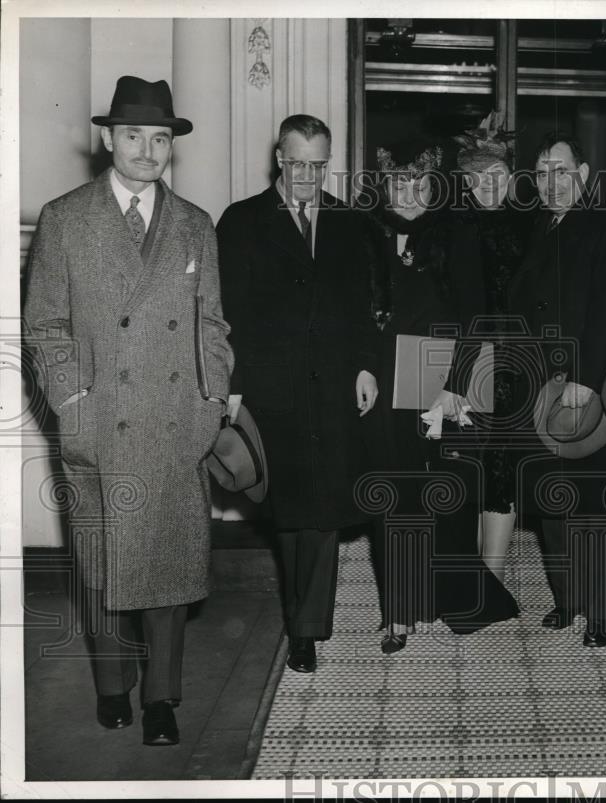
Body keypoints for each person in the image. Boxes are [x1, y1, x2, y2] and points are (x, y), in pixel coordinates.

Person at [23, 75, 233, 746]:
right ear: (109, 138)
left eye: (161, 138)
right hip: (98, 422)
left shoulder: (196, 224)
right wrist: (73, 400)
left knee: (170, 569)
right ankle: (113, 685)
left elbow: (213, 329)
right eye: (135, 135)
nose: (147, 149)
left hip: (176, 424)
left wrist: (211, 403)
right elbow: (45, 326)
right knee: (101, 566)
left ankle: (162, 697)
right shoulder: (65, 217)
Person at [216, 114, 380, 675]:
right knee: (290, 511)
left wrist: (364, 366)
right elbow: (225, 317)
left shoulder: (349, 222)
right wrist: (234, 390)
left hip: (334, 381)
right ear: (278, 159)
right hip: (273, 386)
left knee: (326, 507)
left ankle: (309, 624)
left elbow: (361, 303)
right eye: (298, 163)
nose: (308, 174)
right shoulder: (240, 222)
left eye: (319, 164)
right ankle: (301, 624)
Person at [365, 137, 519, 653]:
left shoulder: (456, 234)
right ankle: (399, 612)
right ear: (383, 186)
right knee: (394, 494)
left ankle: (449, 596)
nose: (408, 194)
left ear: (434, 187)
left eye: (419, 183)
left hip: (440, 374)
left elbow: (476, 316)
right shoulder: (367, 235)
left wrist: (455, 386)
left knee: (442, 495)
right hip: (386, 380)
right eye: (398, 183)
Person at [507, 132, 606, 647]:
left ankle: (601, 611)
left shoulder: (605, 224)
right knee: (552, 497)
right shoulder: (535, 227)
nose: (551, 183)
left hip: (584, 384)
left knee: (594, 502)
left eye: (561, 172)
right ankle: (567, 601)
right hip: (539, 387)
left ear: (582, 176)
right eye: (542, 173)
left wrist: (584, 377)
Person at [433, 113, 531, 582]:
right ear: (464, 180)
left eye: (496, 174)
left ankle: (491, 577)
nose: (487, 184)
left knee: (502, 469)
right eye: (476, 176)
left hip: (516, 364)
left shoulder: (531, 225)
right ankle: (466, 573)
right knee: (464, 465)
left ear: (510, 176)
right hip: (462, 362)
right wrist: (452, 376)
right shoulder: (449, 227)